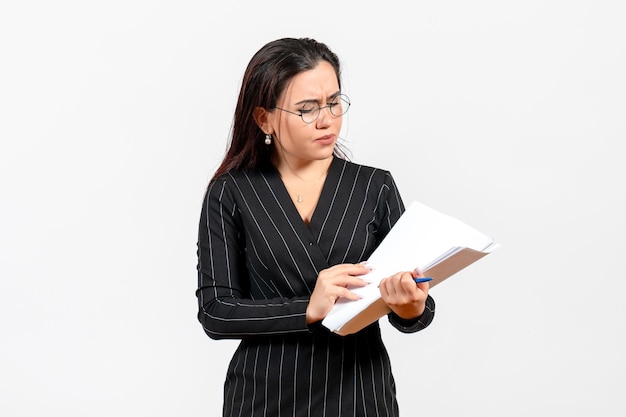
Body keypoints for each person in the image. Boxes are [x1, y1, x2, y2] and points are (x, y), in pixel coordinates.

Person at [196, 37, 436, 417]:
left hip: (359, 393)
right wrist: (307, 308)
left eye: (334, 102)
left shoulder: (374, 186)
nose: (327, 120)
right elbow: (216, 312)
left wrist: (410, 307)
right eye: (307, 109)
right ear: (264, 119)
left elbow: (416, 308)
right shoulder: (231, 192)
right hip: (264, 397)